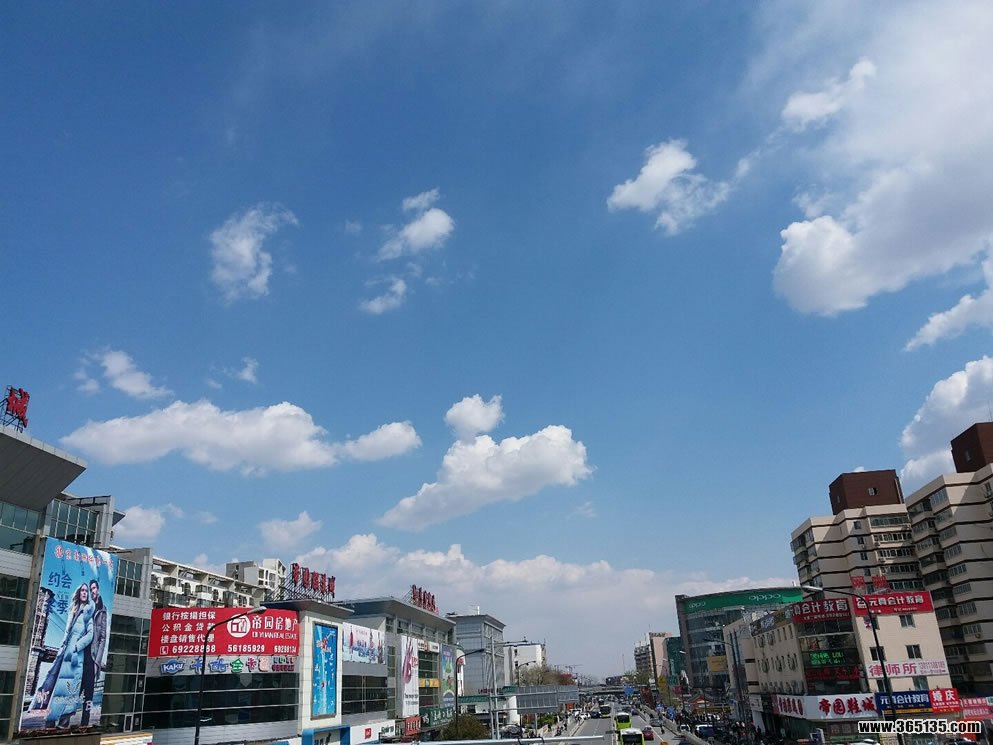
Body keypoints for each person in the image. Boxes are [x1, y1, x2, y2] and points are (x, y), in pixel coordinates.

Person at [30, 583, 95, 727]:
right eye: (82, 590)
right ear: (78, 593)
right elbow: (67, 633)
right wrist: (63, 647)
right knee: (54, 684)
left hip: (75, 656)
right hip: (63, 652)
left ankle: (64, 722)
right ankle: (50, 719)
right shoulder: (72, 611)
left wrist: (77, 646)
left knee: (70, 687)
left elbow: (90, 635)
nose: (84, 593)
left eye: (86, 591)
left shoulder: (88, 614)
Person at [81, 579, 108, 726]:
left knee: (89, 695)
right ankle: (63, 723)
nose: (92, 591)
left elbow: (103, 638)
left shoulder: (103, 610)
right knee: (75, 689)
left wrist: (97, 662)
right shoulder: (86, 606)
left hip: (92, 657)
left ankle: (84, 725)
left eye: (93, 588)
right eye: (90, 589)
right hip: (81, 653)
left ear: (98, 589)